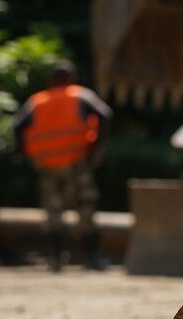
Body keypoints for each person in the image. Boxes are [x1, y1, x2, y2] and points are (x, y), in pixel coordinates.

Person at [14, 61, 112, 270]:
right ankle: (91, 257)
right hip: (77, 161)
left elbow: (18, 126)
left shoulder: (37, 101)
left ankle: (57, 258)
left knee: (53, 210)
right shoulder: (80, 95)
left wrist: (29, 154)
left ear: (50, 80)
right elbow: (104, 115)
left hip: (48, 164)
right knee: (85, 206)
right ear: (72, 79)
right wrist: (94, 148)